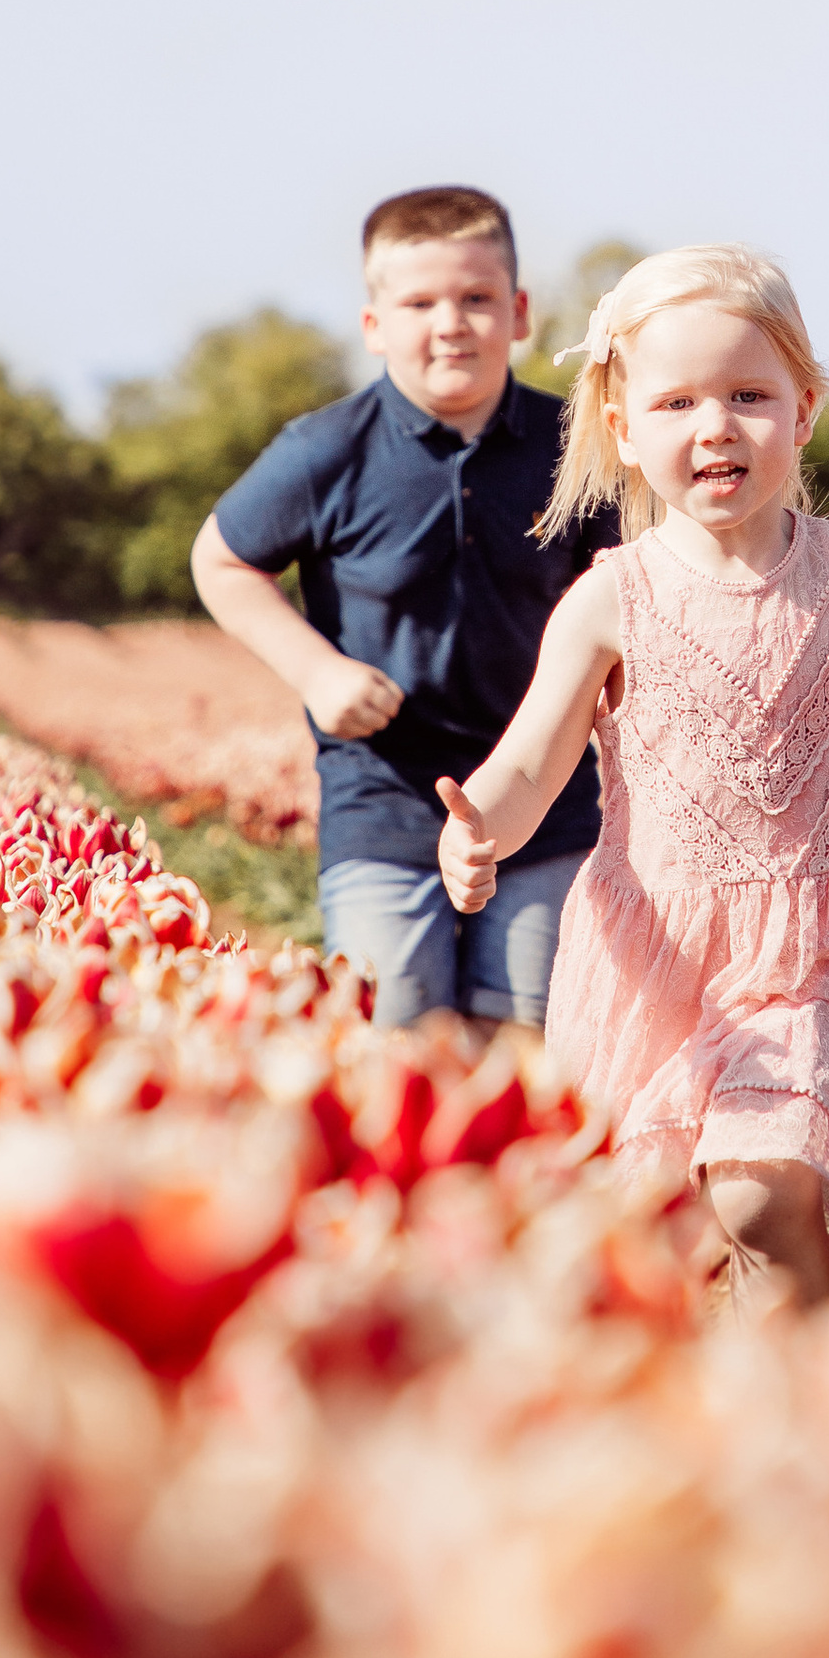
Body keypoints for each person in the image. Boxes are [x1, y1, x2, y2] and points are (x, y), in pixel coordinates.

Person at [434, 244, 829, 1316]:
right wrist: (478, 824)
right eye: (675, 402)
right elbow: (535, 755)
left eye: (747, 395)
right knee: (675, 1233)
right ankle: (730, 1417)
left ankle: (799, 1419)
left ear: (802, 414)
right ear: (625, 433)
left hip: (824, 948)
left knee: (765, 1194)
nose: (714, 425)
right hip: (663, 959)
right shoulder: (610, 601)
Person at [191, 187, 617, 1031]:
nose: (450, 323)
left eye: (476, 299)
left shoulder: (577, 448)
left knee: (529, 1033)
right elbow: (222, 559)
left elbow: (627, 585)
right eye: (419, 303)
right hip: (382, 800)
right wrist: (317, 669)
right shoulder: (325, 451)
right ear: (374, 325)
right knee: (397, 1029)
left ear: (520, 312)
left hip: (544, 800)